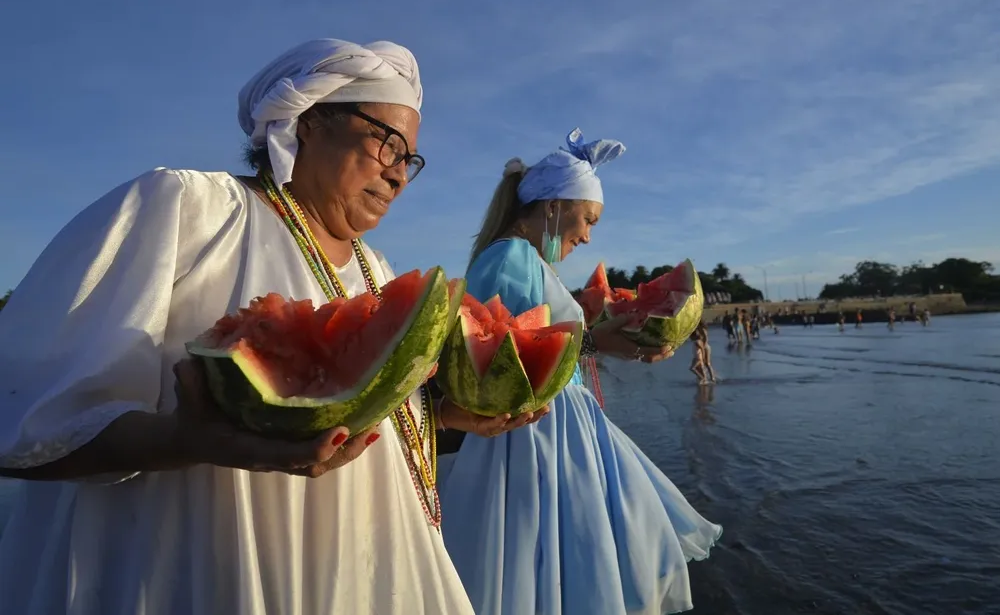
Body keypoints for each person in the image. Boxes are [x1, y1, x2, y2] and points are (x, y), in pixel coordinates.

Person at [0, 38, 541, 615]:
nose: (399, 175)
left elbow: (351, 405)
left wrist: (443, 415)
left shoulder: (378, 273)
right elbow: (28, 421)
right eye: (387, 143)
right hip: (195, 574)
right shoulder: (186, 209)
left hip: (356, 577)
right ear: (309, 121)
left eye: (410, 159)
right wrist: (187, 441)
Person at [436, 129, 722, 615]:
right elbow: (500, 348)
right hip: (534, 436)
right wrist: (597, 342)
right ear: (553, 205)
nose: (588, 235)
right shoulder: (509, 256)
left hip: (560, 427)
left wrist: (622, 338)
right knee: (556, 561)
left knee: (570, 561)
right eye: (587, 218)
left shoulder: (529, 260)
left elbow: (548, 336)